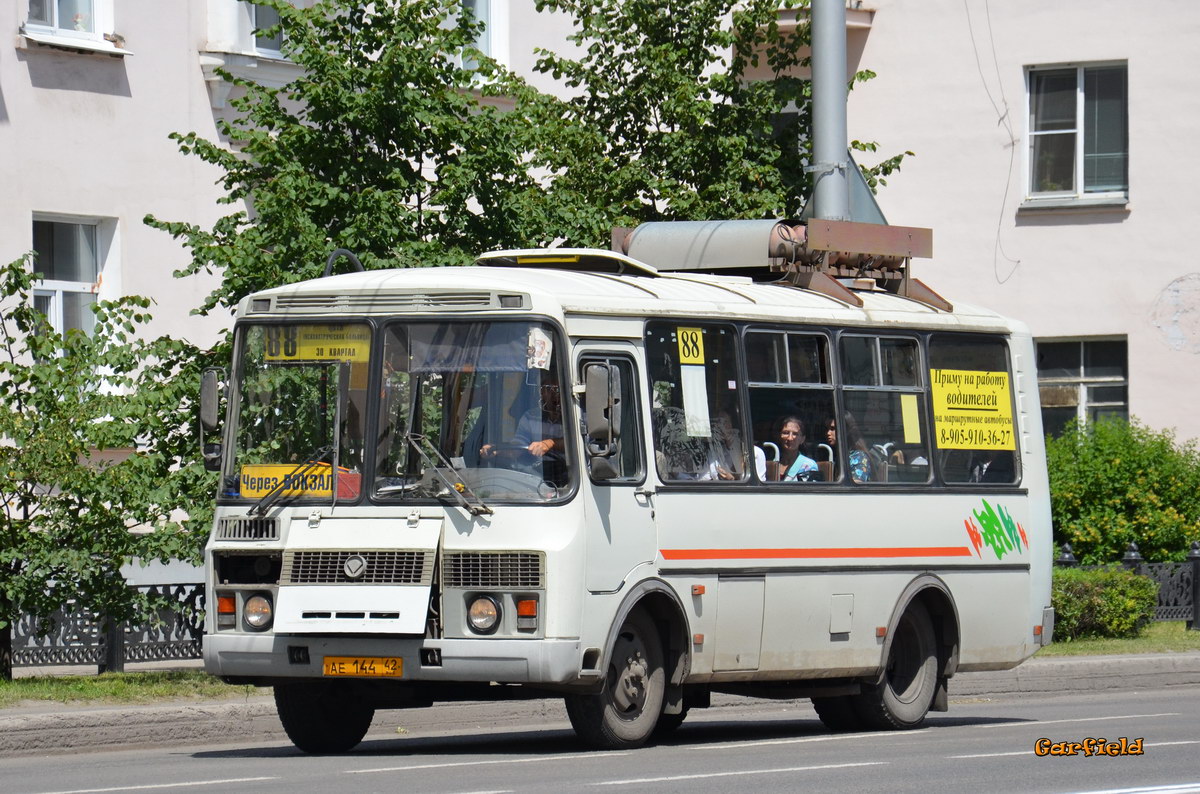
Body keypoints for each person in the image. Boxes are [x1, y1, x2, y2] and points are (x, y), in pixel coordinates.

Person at [776, 416, 819, 481]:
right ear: (779, 436)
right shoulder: (771, 463)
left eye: (795, 434)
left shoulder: (809, 466)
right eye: (786, 433)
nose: (790, 438)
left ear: (802, 439)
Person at [838, 412, 873, 483]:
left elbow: (856, 484)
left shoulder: (859, 457)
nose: (828, 433)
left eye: (833, 429)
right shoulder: (841, 456)